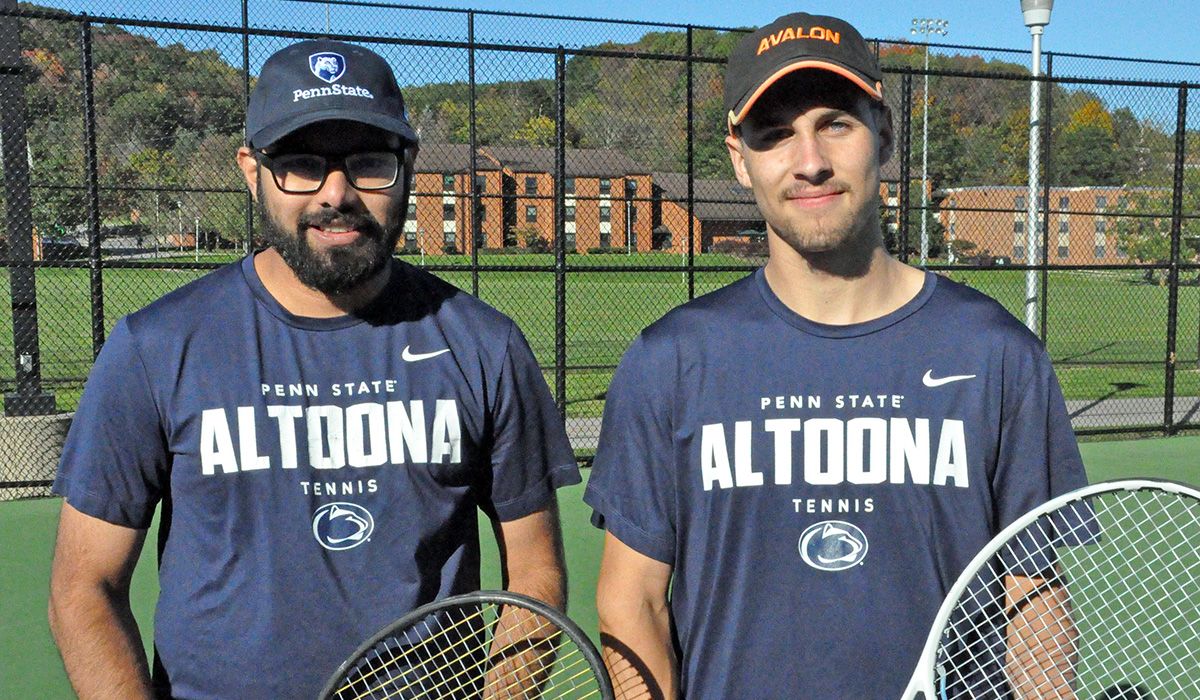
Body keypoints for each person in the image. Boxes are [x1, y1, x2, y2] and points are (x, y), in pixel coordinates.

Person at [48, 39, 580, 700]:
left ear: (406, 167)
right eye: (301, 164)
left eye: (367, 163)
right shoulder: (155, 348)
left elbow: (533, 573)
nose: (337, 192)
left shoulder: (484, 346)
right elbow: (83, 590)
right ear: (252, 170)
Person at [584, 13, 1088, 700]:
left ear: (882, 130)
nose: (810, 159)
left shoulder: (998, 355)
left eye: (835, 123)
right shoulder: (669, 361)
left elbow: (1033, 598)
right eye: (775, 134)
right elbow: (630, 601)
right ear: (739, 157)